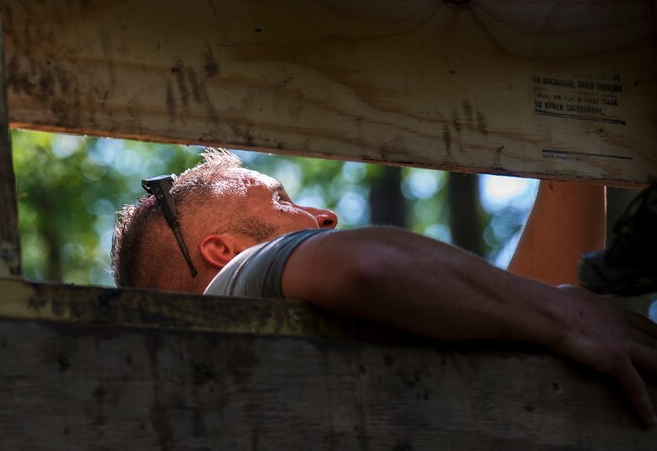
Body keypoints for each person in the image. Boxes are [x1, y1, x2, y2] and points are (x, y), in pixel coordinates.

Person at [112, 150, 657, 426]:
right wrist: (565, 311)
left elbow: (535, 324)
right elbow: (368, 263)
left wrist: (573, 149)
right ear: (222, 252)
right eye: (281, 202)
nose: (323, 215)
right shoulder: (231, 289)